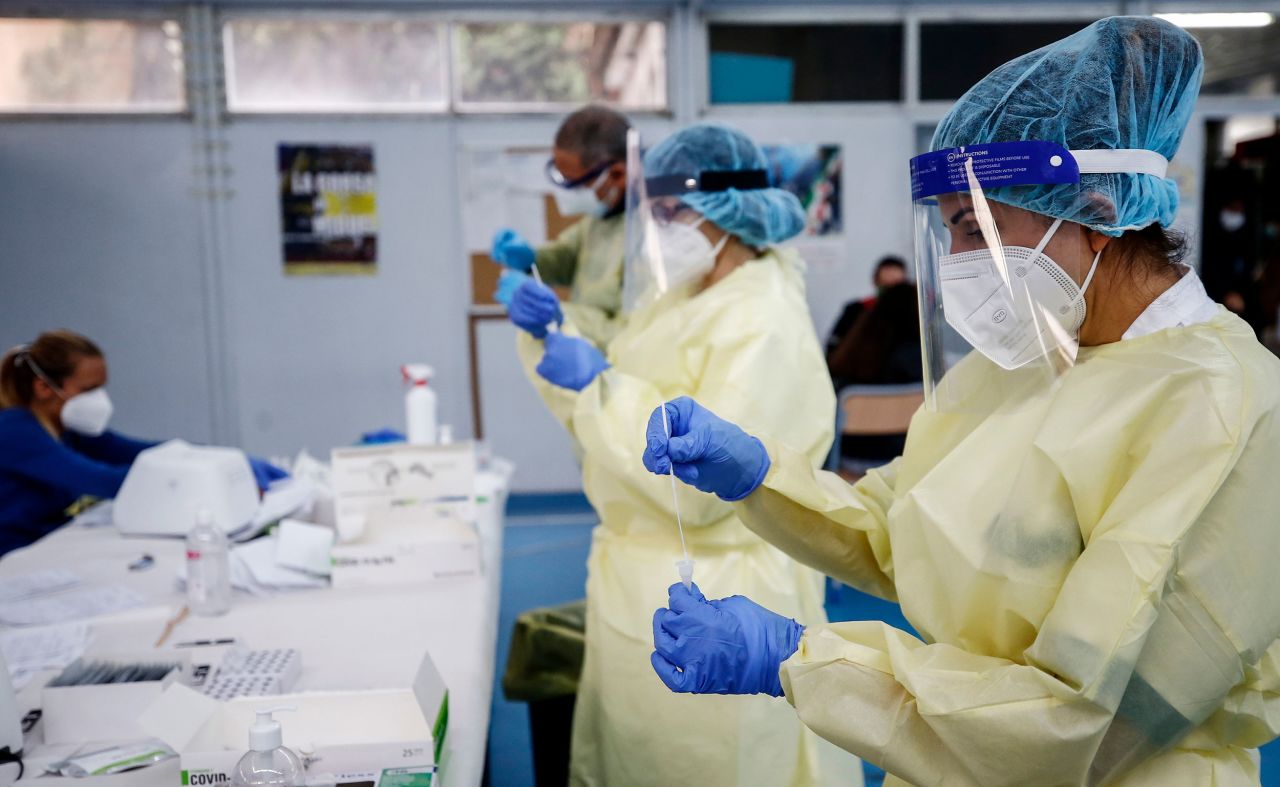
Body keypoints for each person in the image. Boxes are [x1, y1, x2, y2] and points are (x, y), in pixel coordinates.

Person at [642, 17, 1280, 786]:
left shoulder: (1220, 408)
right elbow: (906, 528)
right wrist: (756, 478)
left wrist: (802, 658)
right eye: (950, 233)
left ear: (1097, 209)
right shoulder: (1027, 358)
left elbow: (1078, 719)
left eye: (977, 227)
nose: (961, 267)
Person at [509, 124, 859, 785]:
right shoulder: (686, 293)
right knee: (640, 758)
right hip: (641, 579)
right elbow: (618, 390)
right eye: (656, 213)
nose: (659, 229)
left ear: (728, 210)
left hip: (720, 593)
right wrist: (553, 335)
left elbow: (699, 491)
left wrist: (598, 385)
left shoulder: (762, 319)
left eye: (673, 213)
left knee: (713, 764)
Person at [0, 331, 286, 557]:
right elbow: (104, 481)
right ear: (43, 388)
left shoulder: (69, 429)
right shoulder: (15, 431)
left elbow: (143, 452)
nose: (99, 399)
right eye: (88, 390)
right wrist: (200, 478)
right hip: (13, 556)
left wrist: (218, 459)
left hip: (45, 544)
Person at [492, 105, 631, 349]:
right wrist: (531, 260)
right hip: (582, 355)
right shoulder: (603, 216)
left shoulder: (652, 235)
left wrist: (557, 315)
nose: (565, 194)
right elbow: (568, 257)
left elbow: (632, 336)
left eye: (575, 185)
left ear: (618, 174)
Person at [824, 255, 908, 359]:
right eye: (887, 273)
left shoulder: (910, 314)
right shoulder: (856, 309)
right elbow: (835, 342)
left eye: (896, 284)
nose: (890, 277)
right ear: (875, 280)